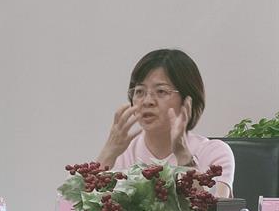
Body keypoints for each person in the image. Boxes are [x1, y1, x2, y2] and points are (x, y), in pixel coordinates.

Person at [96, 49, 234, 197]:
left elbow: (214, 209)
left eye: (161, 91)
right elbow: (82, 207)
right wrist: (108, 154)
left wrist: (183, 156)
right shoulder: (123, 154)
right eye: (140, 91)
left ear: (187, 100)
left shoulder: (213, 153)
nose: (147, 101)